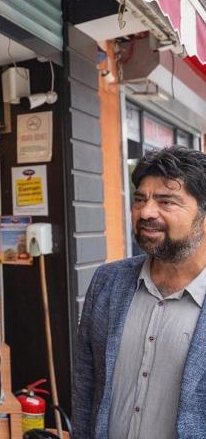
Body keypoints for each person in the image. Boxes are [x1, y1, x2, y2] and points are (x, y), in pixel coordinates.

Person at [73, 146, 206, 439]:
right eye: (139, 199)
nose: (146, 212)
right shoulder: (108, 281)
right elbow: (86, 385)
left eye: (166, 201)